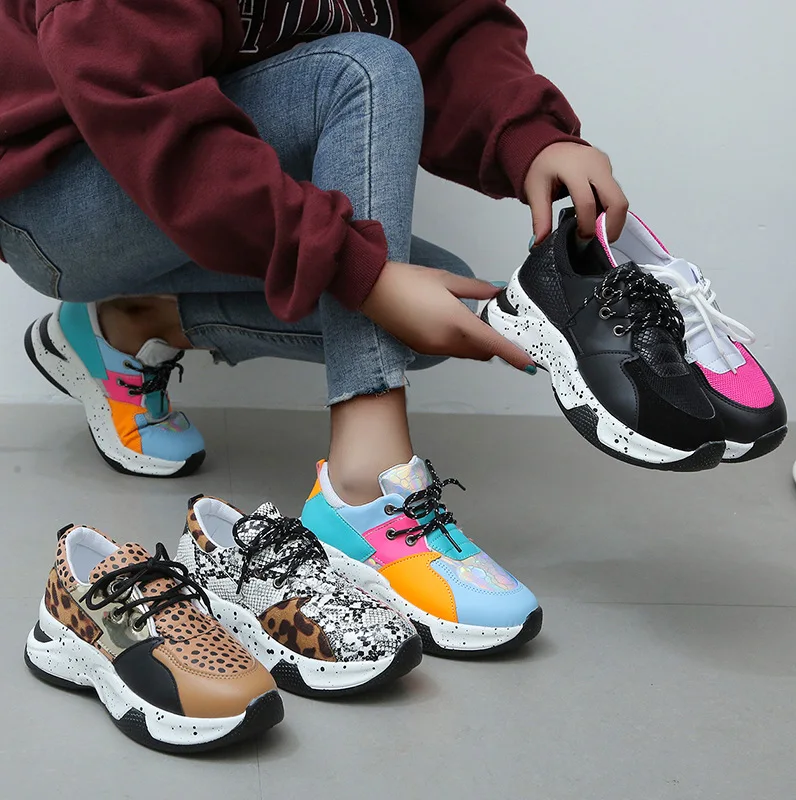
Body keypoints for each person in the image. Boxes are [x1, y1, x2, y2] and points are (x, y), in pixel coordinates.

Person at [0, 0, 628, 652]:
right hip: (56, 193)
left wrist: (533, 134)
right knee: (363, 72)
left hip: (190, 169)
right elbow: (139, 109)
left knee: (441, 310)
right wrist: (369, 278)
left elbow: (442, 21)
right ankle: (365, 490)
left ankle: (133, 324)